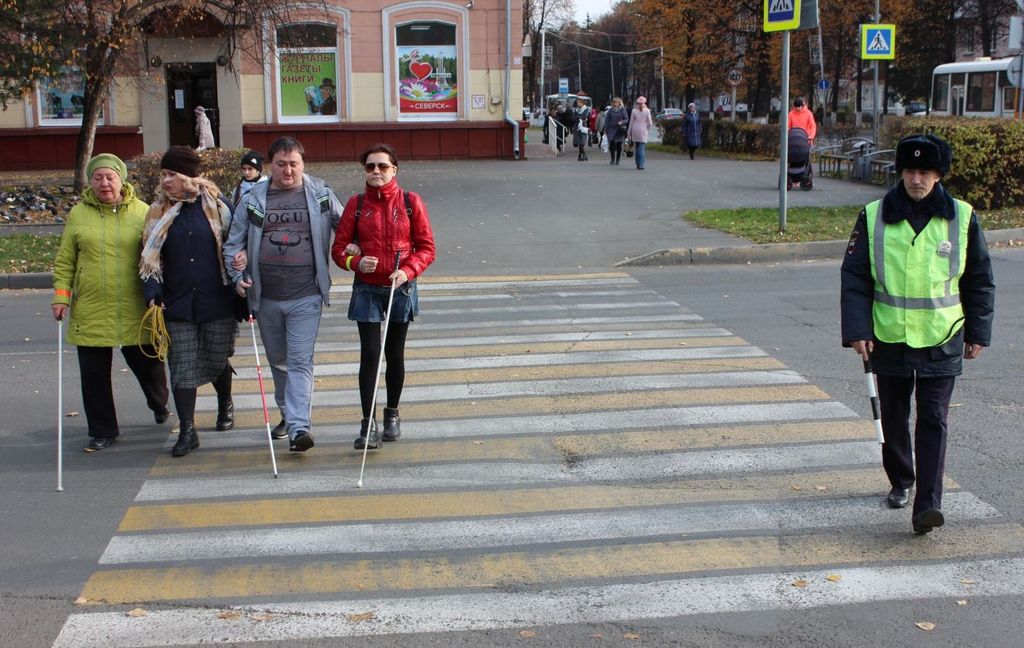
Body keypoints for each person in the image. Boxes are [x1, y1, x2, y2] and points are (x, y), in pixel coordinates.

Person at [840, 134, 994, 535]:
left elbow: (979, 279)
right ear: (900, 173)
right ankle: (902, 479)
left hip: (943, 337)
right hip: (888, 335)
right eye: (910, 171)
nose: (916, 179)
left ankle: (928, 504)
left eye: (925, 172)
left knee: (933, 420)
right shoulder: (873, 215)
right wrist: (858, 329)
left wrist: (979, 330)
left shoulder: (962, 216)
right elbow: (855, 277)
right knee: (893, 416)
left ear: (939, 175)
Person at [224, 137, 344, 452]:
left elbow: (345, 227)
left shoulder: (320, 193)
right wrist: (238, 275)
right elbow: (233, 243)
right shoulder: (253, 198)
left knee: (300, 360)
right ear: (270, 165)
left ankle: (299, 428)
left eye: (294, 163)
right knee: (279, 361)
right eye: (281, 163)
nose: (288, 170)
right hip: (265, 297)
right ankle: (287, 415)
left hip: (307, 293)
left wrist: (354, 248)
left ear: (303, 164)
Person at [51, 154, 170, 452]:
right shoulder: (79, 214)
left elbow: (157, 258)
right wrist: (61, 297)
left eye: (110, 177)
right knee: (94, 376)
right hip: (92, 308)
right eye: (98, 178)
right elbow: (66, 259)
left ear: (122, 179)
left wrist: (159, 294)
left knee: (149, 366)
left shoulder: (143, 212)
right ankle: (103, 429)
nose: (105, 183)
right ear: (91, 182)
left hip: (135, 306)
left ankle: (159, 402)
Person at [332, 143, 436, 450]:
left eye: (383, 166)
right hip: (366, 289)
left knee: (394, 355)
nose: (376, 171)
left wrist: (407, 270)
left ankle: (392, 413)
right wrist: (355, 262)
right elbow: (338, 250)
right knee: (370, 357)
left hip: (399, 288)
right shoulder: (357, 203)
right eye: (370, 167)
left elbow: (427, 248)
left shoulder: (409, 201)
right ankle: (368, 424)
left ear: (394, 170)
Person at [139, 146, 237, 457]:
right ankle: (188, 430)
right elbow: (147, 258)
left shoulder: (219, 206)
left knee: (216, 357)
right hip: (176, 301)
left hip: (217, 299)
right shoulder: (158, 211)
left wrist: (242, 288)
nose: (165, 181)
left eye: (171, 175)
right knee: (181, 365)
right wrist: (152, 291)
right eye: (163, 175)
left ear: (188, 176)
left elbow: (235, 248)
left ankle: (225, 403)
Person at [627, 96, 653, 170]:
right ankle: (641, 164)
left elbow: (631, 122)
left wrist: (629, 132)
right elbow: (650, 123)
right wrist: (647, 129)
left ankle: (637, 163)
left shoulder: (634, 111)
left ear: (637, 103)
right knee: (641, 148)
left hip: (635, 130)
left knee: (637, 147)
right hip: (643, 130)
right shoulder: (647, 111)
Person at [603, 97, 629, 166]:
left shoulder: (622, 110)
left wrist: (622, 122)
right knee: (612, 145)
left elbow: (626, 119)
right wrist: (605, 130)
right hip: (611, 129)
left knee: (618, 145)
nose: (615, 103)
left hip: (619, 129)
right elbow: (607, 121)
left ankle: (618, 160)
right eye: (614, 102)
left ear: (619, 103)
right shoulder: (610, 110)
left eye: (617, 102)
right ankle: (612, 159)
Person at [570, 97, 591, 161]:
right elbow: (573, 118)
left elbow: (585, 116)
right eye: (577, 103)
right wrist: (578, 118)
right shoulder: (576, 110)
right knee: (579, 142)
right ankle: (581, 156)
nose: (577, 104)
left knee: (582, 142)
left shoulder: (585, 109)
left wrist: (578, 117)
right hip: (577, 127)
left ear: (581, 103)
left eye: (578, 102)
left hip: (583, 126)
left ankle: (583, 155)